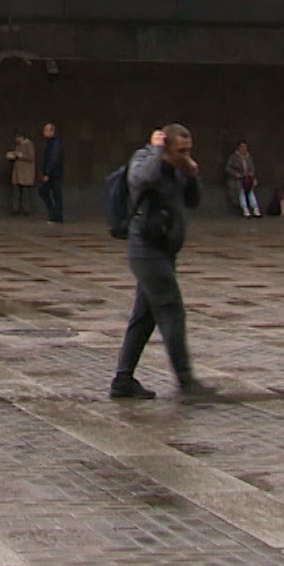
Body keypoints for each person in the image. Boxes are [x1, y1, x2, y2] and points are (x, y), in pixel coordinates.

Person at [109, 125, 218, 402]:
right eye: (180, 151)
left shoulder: (179, 169)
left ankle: (123, 381)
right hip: (145, 249)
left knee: (144, 317)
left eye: (189, 150)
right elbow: (142, 179)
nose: (185, 155)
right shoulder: (145, 160)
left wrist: (192, 175)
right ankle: (186, 382)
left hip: (164, 250)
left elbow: (193, 201)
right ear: (166, 146)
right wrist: (158, 152)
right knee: (171, 310)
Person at [224, 141, 261, 218]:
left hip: (248, 179)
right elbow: (228, 168)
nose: (244, 149)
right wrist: (236, 174)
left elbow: (252, 167)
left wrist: (251, 174)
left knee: (251, 192)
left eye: (245, 147)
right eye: (242, 147)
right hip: (238, 180)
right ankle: (245, 209)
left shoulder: (249, 157)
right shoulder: (233, 157)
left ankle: (255, 209)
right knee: (241, 192)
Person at [37, 123, 64, 224]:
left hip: (54, 174)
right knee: (46, 192)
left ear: (52, 131)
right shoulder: (49, 143)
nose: (44, 132)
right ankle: (54, 215)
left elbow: (53, 158)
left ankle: (57, 216)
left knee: (55, 194)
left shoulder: (55, 143)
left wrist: (47, 173)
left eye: (46, 130)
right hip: (52, 173)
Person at [6, 131, 36, 216]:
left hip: (26, 172)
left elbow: (31, 157)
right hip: (17, 172)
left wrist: (20, 155)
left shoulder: (29, 145)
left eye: (17, 138)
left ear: (21, 137)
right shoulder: (18, 146)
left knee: (25, 193)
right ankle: (15, 209)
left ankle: (26, 209)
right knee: (15, 192)